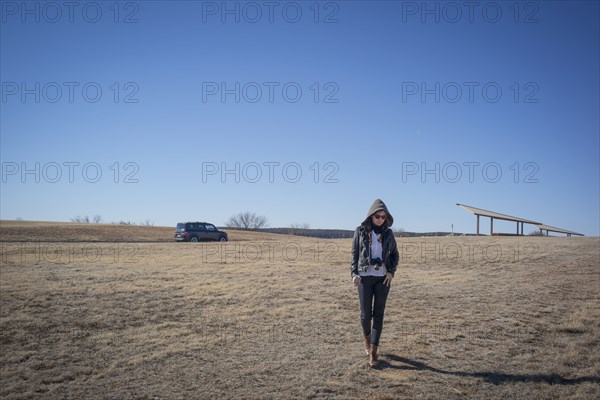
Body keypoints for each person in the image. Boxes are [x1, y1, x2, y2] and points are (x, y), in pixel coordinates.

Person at [350, 199, 399, 367]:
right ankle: (367, 340)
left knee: (379, 314)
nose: (380, 219)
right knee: (365, 315)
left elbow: (394, 255)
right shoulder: (360, 231)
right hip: (364, 277)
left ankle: (373, 351)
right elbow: (355, 255)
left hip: (383, 279)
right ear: (371, 216)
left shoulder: (389, 234)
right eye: (377, 216)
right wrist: (354, 274)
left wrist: (391, 272)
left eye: (383, 217)